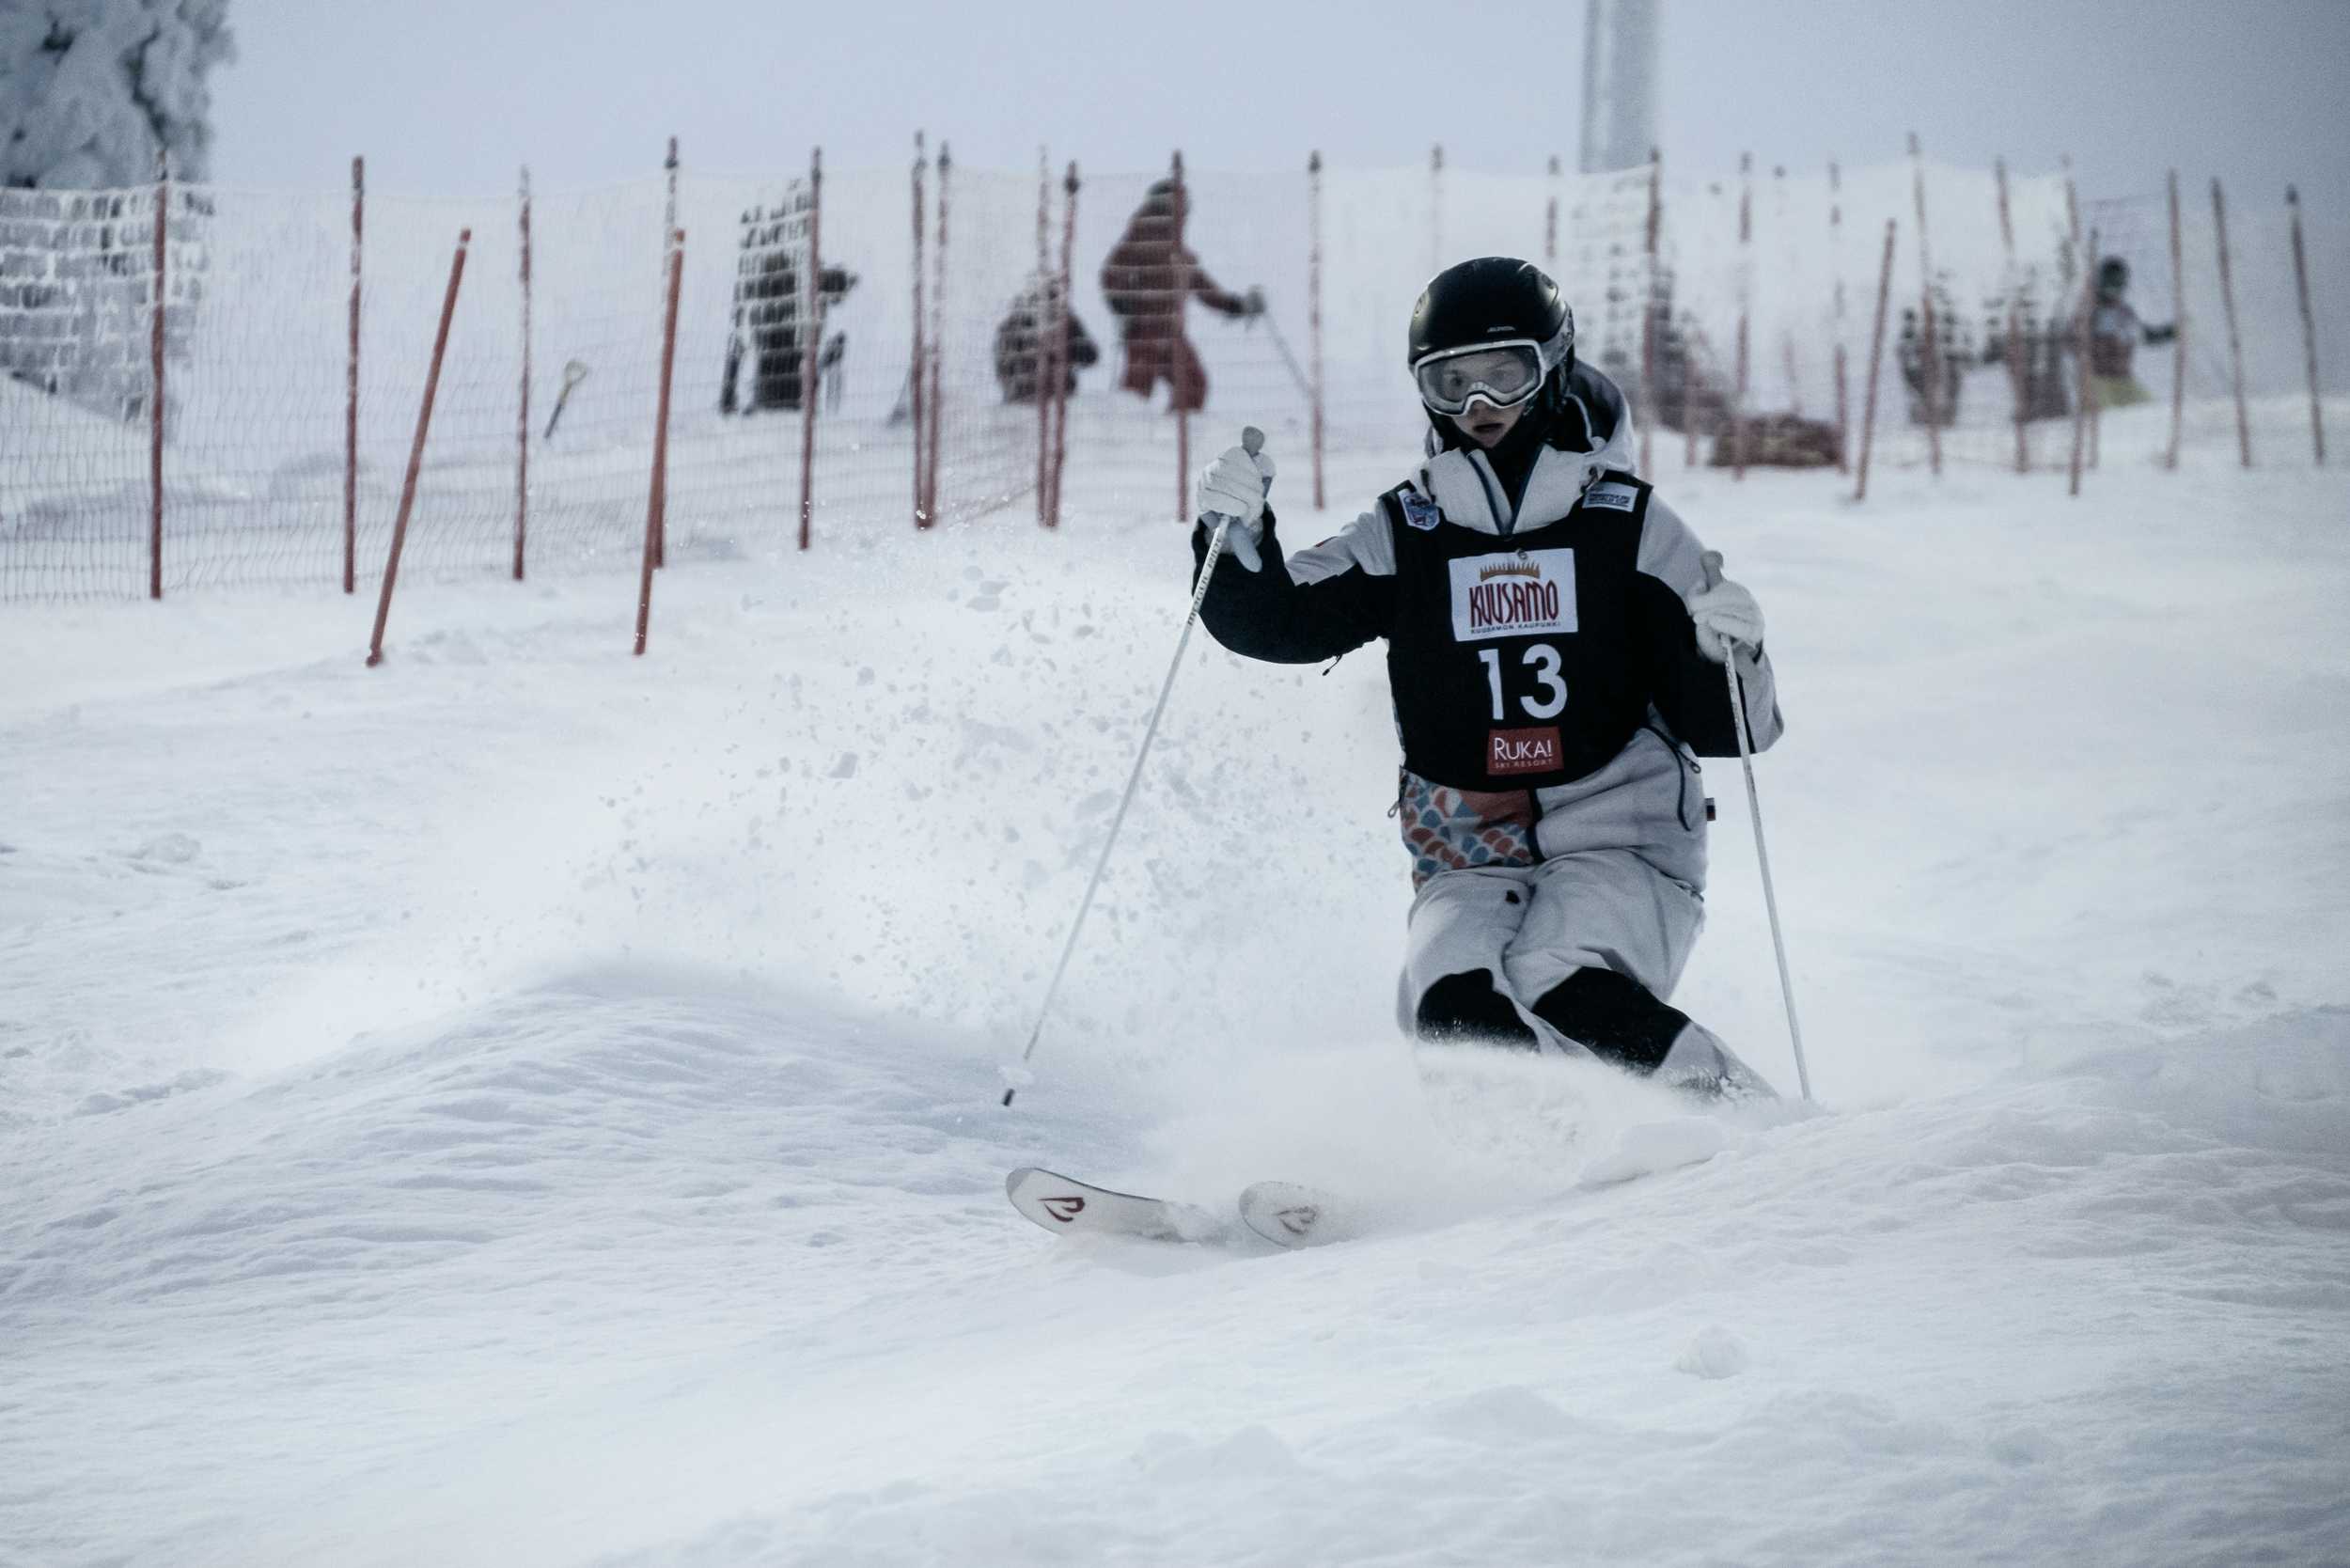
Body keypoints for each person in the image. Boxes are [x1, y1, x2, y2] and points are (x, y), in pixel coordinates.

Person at [1189, 257, 1783, 1098]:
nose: (1480, 407)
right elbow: (1279, 621)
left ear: (1555, 368)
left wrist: (1732, 653)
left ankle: (1741, 1120)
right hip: (1466, 848)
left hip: (1625, 835)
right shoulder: (1410, 528)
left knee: (1552, 975)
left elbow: (1734, 730)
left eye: (1507, 376)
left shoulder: (1630, 526)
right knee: (1449, 1003)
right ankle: (1510, 1175)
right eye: (1451, 382)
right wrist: (1236, 535)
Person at [1100, 178, 1262, 413]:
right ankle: (1125, 439)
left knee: (1193, 384)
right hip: (1145, 329)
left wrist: (1235, 306)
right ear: (1166, 206)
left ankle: (1176, 435)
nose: (1185, 212)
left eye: (1186, 205)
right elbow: (1111, 273)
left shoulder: (1179, 252)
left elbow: (1203, 288)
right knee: (1137, 391)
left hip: (1172, 332)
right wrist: (1123, 305)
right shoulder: (1142, 236)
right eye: (1181, 205)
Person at [2083, 257, 2175, 409]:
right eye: (2110, 285)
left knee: (2149, 412)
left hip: (2122, 380)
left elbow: (2143, 336)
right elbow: (2074, 342)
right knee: (2107, 418)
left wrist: (2169, 333)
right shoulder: (2090, 311)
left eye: (2118, 285)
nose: (2114, 291)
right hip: (2098, 382)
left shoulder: (2124, 313)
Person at [993, 274, 1100, 404]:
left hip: (1055, 397)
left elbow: (1091, 356)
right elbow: (1005, 367)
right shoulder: (1015, 325)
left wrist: (1069, 347)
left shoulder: (1067, 322)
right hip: (1026, 399)